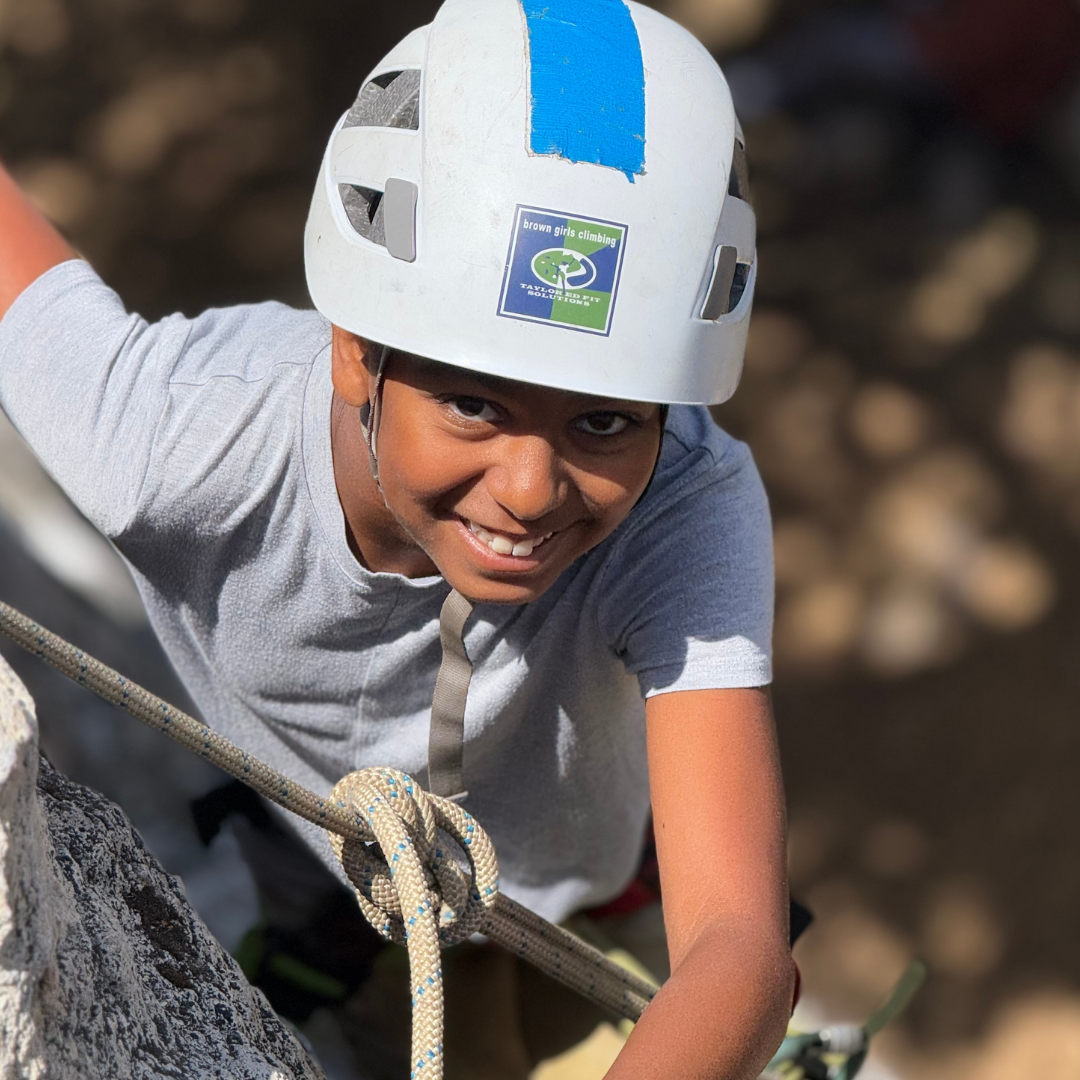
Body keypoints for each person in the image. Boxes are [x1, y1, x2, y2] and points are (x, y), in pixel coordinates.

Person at [0, 0, 795, 1076]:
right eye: (473, 404)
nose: (527, 489)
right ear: (352, 353)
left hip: (580, 925)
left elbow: (738, 945)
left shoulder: (685, 506)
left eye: (605, 421)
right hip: (326, 900)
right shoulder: (174, 442)